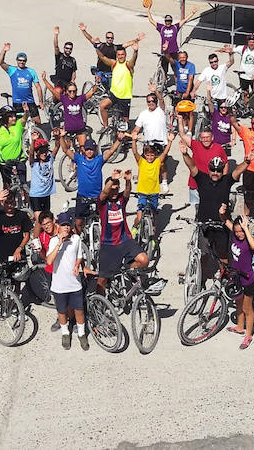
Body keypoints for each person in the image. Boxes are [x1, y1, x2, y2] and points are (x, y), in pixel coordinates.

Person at [180, 147, 248, 261]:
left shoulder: (226, 180)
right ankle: (200, 277)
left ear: (222, 171)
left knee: (223, 256)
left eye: (218, 170)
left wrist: (247, 161)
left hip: (221, 224)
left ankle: (224, 276)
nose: (215, 173)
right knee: (202, 256)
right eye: (213, 170)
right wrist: (185, 154)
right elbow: (192, 166)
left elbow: (237, 171)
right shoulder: (202, 178)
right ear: (209, 169)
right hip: (203, 223)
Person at [61, 134, 125, 232]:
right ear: (84, 150)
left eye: (91, 149)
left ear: (95, 149)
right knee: (78, 223)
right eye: (87, 149)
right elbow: (66, 150)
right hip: (82, 196)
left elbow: (111, 151)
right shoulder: (79, 159)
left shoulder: (99, 160)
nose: (89, 151)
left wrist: (119, 140)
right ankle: (79, 241)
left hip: (97, 197)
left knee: (103, 221)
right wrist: (61, 137)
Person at [96, 170, 148, 291]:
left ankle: (124, 268)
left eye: (116, 189)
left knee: (144, 260)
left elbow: (127, 191)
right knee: (102, 281)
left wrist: (128, 180)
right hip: (108, 244)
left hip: (125, 240)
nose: (114, 192)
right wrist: (113, 180)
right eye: (112, 189)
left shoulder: (121, 200)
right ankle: (99, 305)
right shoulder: (102, 203)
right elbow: (104, 192)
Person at [47, 212, 88, 350]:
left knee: (79, 310)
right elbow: (49, 261)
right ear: (58, 226)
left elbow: (79, 256)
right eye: (63, 225)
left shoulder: (76, 239)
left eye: (67, 225)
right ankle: (65, 333)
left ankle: (82, 334)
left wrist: (77, 265)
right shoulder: (53, 241)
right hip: (59, 285)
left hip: (74, 283)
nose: (65, 228)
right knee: (62, 311)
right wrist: (59, 242)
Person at [130, 130, 176, 234]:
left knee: (154, 217)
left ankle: (153, 237)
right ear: (145, 155)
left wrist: (170, 141)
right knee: (139, 216)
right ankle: (135, 227)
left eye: (152, 155)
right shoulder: (141, 162)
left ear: (155, 155)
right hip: (142, 192)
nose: (150, 157)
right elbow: (134, 152)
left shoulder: (157, 162)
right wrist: (133, 140)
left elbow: (165, 152)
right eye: (148, 155)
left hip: (154, 193)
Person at [177, 121, 227, 210]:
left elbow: (225, 162)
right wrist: (180, 121)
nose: (205, 139)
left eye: (207, 137)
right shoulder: (196, 145)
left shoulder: (219, 148)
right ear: (200, 138)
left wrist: (224, 178)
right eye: (203, 137)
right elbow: (182, 135)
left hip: (212, 183)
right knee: (197, 209)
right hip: (195, 183)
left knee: (212, 208)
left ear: (212, 138)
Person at [97, 35, 144, 129]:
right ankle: (105, 127)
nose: (120, 56)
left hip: (125, 97)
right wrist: (96, 47)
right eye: (119, 55)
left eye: (122, 55)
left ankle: (125, 137)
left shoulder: (128, 65)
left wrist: (135, 52)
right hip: (114, 94)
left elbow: (133, 61)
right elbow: (102, 57)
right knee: (102, 106)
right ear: (117, 56)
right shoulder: (114, 63)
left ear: (125, 55)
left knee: (125, 122)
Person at [226, 214, 254, 349]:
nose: (239, 234)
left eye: (241, 231)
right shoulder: (234, 235)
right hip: (236, 277)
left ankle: (248, 336)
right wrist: (222, 213)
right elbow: (225, 221)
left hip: (247, 279)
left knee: (247, 309)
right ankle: (239, 327)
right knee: (238, 303)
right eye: (236, 231)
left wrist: (246, 228)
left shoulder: (248, 241)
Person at [43, 74, 96, 149]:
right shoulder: (64, 99)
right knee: (68, 151)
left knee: (84, 149)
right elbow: (52, 90)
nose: (72, 93)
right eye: (70, 91)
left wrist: (97, 82)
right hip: (68, 130)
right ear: (66, 91)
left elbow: (92, 91)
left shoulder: (80, 98)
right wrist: (44, 80)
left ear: (76, 91)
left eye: (74, 91)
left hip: (80, 128)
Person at [133, 84, 170, 191]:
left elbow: (162, 101)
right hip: (148, 143)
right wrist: (135, 133)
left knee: (162, 164)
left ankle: (164, 182)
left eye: (153, 100)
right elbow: (136, 128)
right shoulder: (143, 114)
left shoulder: (160, 111)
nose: (151, 103)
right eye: (149, 101)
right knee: (143, 163)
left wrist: (156, 91)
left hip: (161, 142)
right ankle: (143, 180)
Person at [0, 103, 32, 193]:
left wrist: (26, 111)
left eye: (14, 116)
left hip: (19, 159)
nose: (14, 118)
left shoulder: (18, 125)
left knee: (24, 185)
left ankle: (29, 204)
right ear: (5, 118)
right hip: (5, 162)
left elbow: (24, 119)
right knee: (7, 187)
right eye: (11, 116)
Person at [0, 189, 31, 262]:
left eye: (11, 202)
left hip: (18, 256)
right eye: (7, 203)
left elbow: (27, 235)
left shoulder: (22, 215)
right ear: (2, 203)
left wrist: (20, 248)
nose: (10, 205)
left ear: (15, 202)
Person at [146, 5, 199, 73]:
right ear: (165, 21)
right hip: (165, 52)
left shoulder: (175, 27)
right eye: (167, 21)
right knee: (164, 69)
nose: (168, 22)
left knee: (176, 68)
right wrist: (148, 10)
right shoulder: (161, 28)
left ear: (171, 21)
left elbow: (184, 20)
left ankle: (177, 80)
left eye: (169, 21)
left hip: (174, 51)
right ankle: (164, 81)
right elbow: (151, 20)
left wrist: (192, 13)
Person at [0, 43, 42, 116]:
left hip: (30, 101)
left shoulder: (31, 71)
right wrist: (4, 51)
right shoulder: (12, 70)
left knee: (37, 121)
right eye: (20, 60)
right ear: (17, 60)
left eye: (24, 61)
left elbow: (38, 87)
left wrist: (40, 101)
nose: (22, 62)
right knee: (19, 124)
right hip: (17, 102)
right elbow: (0, 62)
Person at [28, 132, 59, 217]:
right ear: (37, 152)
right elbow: (31, 154)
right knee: (39, 220)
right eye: (41, 151)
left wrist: (57, 137)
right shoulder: (34, 163)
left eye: (45, 151)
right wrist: (33, 141)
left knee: (47, 218)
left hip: (46, 195)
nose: (44, 153)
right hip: (36, 195)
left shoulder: (50, 160)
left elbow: (56, 147)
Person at [207, 86, 235, 152]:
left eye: (225, 107)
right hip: (214, 143)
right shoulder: (215, 114)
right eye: (221, 107)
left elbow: (233, 129)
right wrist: (208, 91)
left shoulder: (230, 117)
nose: (223, 109)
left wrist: (233, 140)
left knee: (225, 161)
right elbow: (209, 102)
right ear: (218, 108)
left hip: (226, 144)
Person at [51, 26, 77, 90]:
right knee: (58, 91)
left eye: (70, 49)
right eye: (67, 48)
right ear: (64, 48)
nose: (68, 50)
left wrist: (73, 80)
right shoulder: (59, 56)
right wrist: (56, 35)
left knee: (73, 92)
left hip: (68, 82)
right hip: (58, 80)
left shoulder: (73, 60)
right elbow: (56, 46)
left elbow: (74, 72)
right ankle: (55, 99)